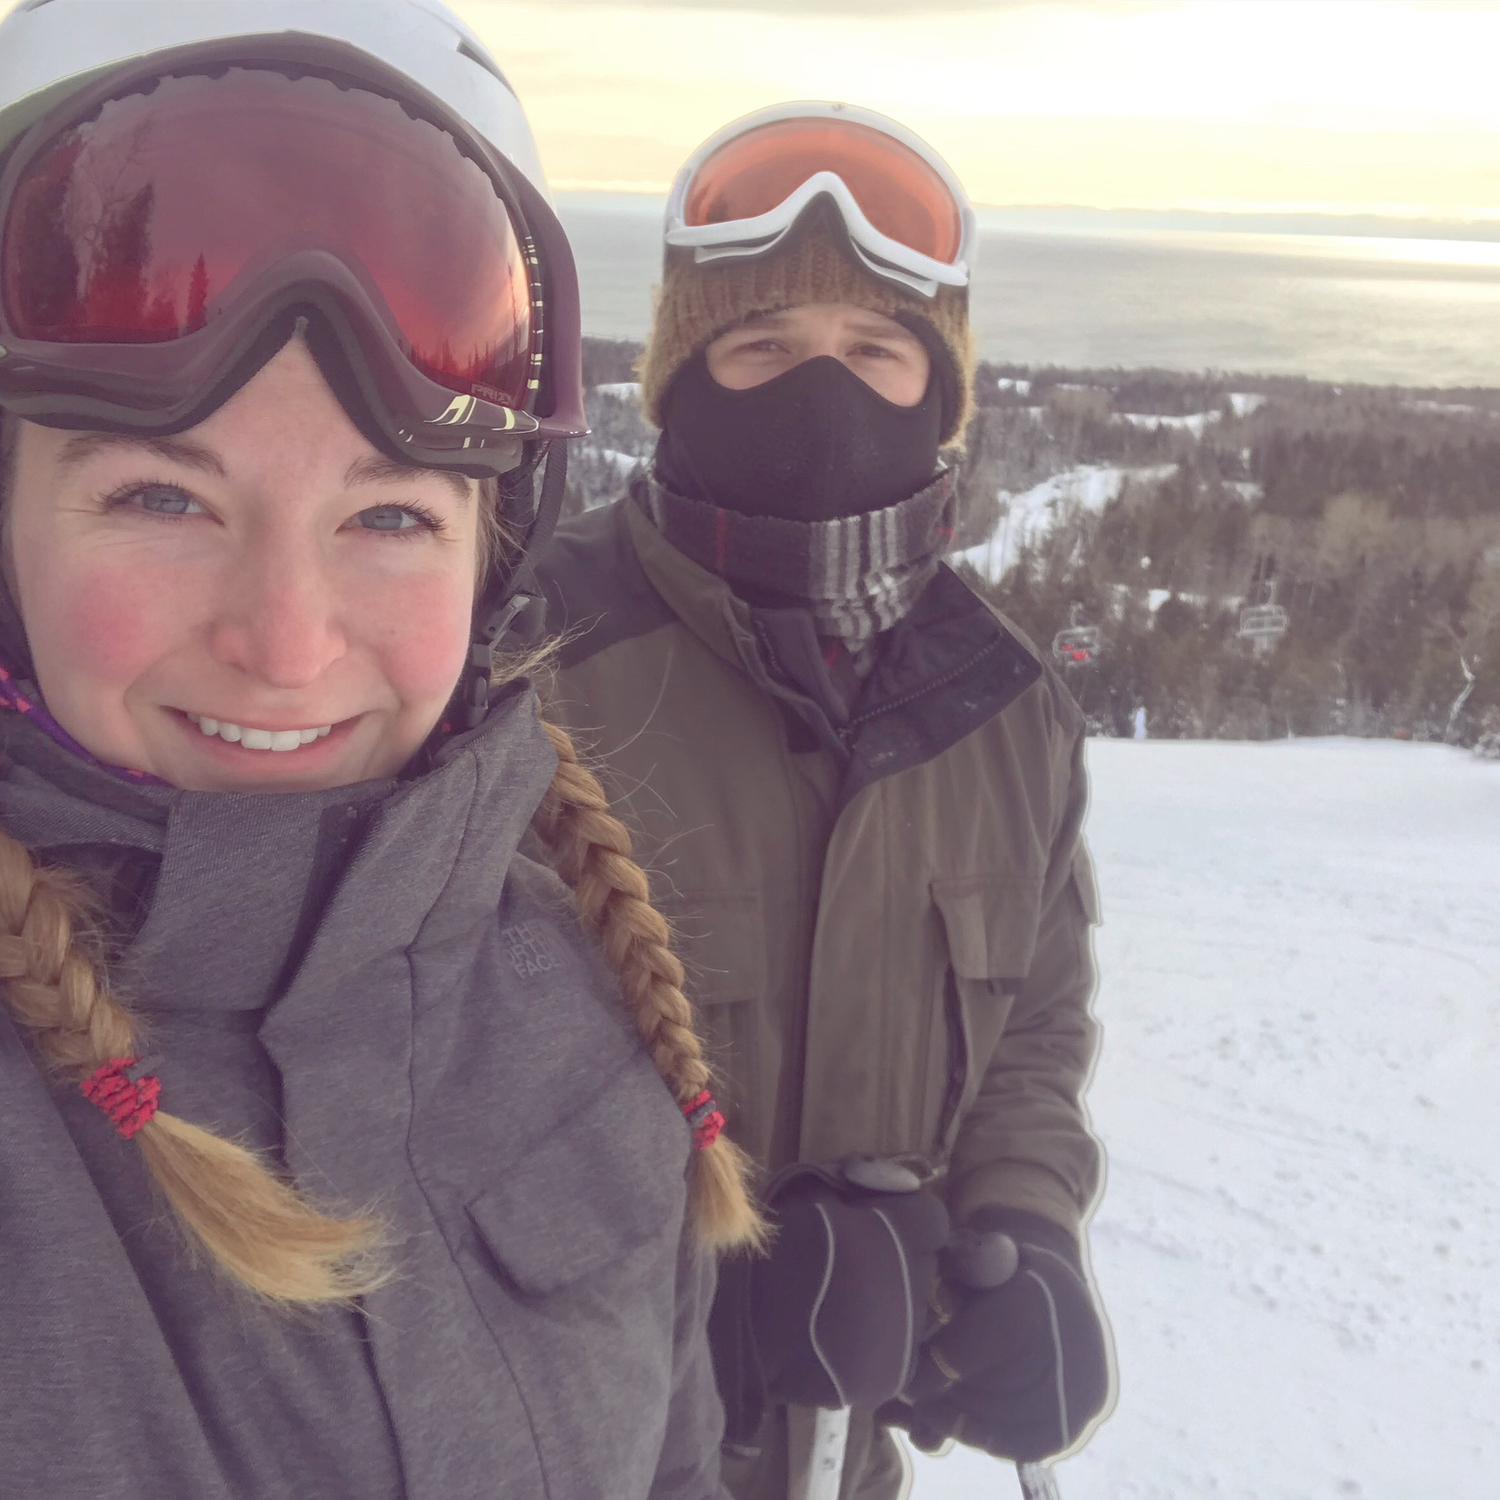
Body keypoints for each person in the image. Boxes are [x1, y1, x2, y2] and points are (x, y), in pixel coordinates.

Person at [0, 4, 761, 1496]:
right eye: (163, 499)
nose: (286, 644)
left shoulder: (588, 1001)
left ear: (491, 557)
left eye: (390, 515)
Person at [540, 102, 1114, 1497]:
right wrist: (698, 1296)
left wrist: (1024, 1235)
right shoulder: (527, 661)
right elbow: (396, 1059)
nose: (827, 398)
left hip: (842, 1458)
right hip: (565, 1437)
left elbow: (1032, 1031)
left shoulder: (1005, 705)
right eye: (762, 348)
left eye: (875, 351)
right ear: (682, 382)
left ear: (943, 392)